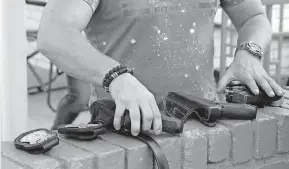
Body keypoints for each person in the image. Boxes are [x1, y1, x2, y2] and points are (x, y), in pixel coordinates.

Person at [37, 0, 285, 136]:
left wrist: (249, 52)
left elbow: (254, 18)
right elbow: (53, 34)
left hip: (204, 124)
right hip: (125, 129)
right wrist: (116, 77)